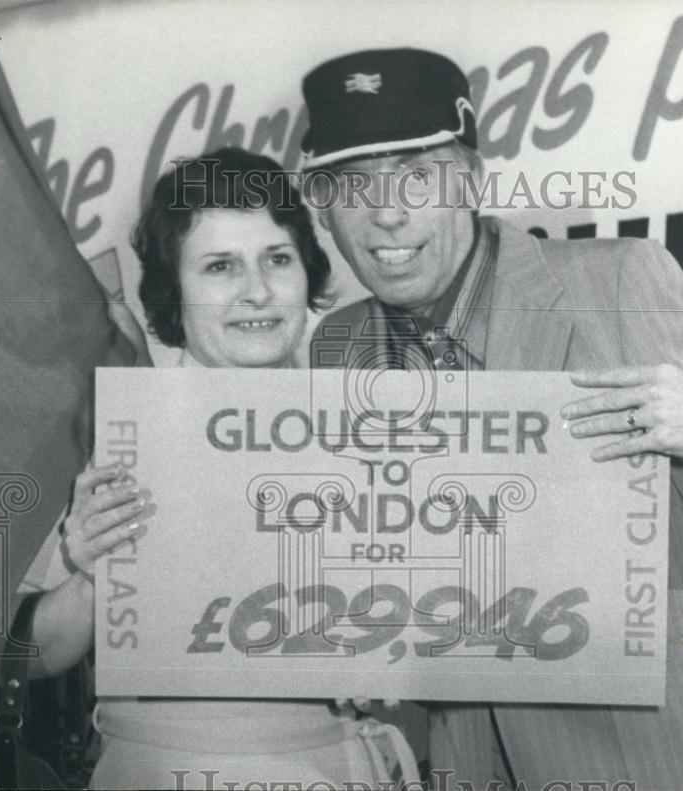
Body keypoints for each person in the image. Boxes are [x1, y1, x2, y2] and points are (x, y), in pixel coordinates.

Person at [300, 48, 683, 790]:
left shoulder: (615, 285)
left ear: (471, 181)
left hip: (663, 757)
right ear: (321, 205)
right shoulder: (338, 346)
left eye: (419, 176)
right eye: (353, 185)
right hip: (472, 760)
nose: (387, 213)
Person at [23, 147, 419, 789]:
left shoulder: (370, 430)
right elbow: (24, 657)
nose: (257, 291)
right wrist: (93, 573)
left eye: (277, 259)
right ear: (173, 293)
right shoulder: (114, 437)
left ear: (307, 272)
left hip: (337, 768)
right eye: (219, 267)